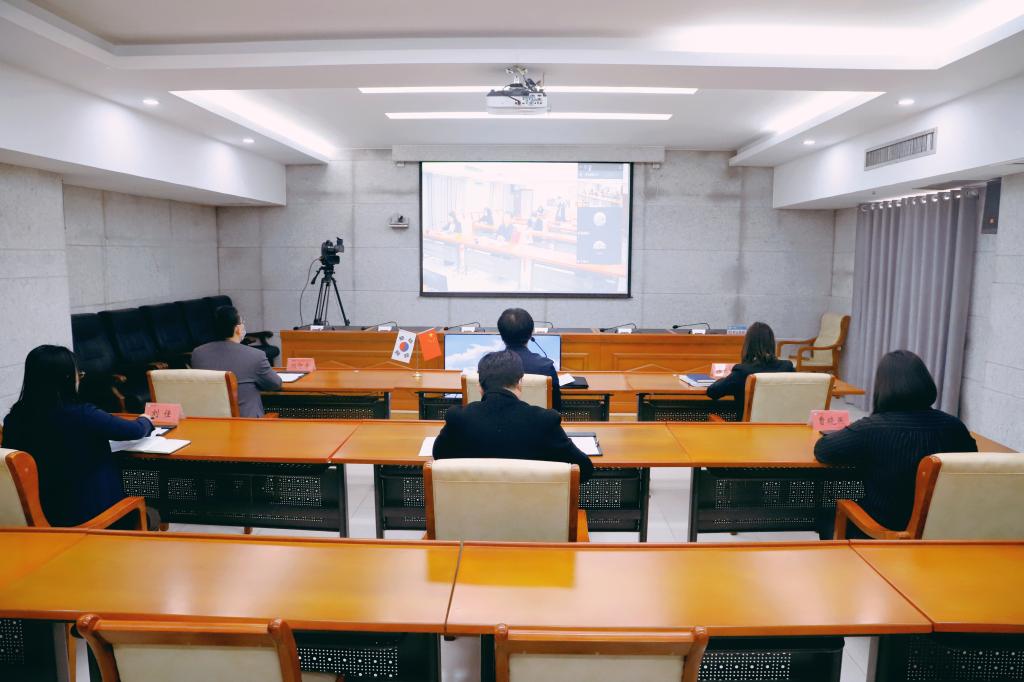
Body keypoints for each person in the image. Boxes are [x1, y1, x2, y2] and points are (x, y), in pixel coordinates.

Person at [814, 350, 977, 538]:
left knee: (826, 512)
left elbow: (823, 451)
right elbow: (972, 460)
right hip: (938, 534)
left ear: (882, 387)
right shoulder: (954, 426)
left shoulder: (871, 428)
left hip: (880, 533)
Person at [1, 345, 154, 527]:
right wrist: (146, 420)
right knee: (151, 510)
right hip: (92, 518)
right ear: (67, 379)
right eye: (78, 374)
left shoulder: (14, 418)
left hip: (45, 515)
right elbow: (134, 431)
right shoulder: (82, 415)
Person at [432, 351, 592, 481]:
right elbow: (584, 470)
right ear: (520, 382)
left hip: (473, 510)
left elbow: (439, 457)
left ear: (480, 386)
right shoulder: (545, 421)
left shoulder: (458, 418)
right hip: (533, 509)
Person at [191, 306, 282, 417]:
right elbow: (275, 384)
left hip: (212, 422)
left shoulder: (198, 354)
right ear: (237, 329)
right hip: (248, 423)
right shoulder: (255, 356)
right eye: (242, 322)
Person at [706, 321, 794, 409]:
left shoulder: (742, 371)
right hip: (781, 418)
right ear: (771, 343)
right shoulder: (787, 367)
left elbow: (712, 392)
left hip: (748, 418)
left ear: (748, 344)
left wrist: (725, 378)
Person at [497, 307, 561, 411]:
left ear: (501, 334)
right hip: (538, 421)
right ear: (531, 333)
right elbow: (556, 408)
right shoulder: (545, 367)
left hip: (497, 421)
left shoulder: (487, 366)